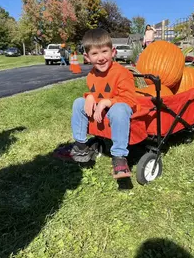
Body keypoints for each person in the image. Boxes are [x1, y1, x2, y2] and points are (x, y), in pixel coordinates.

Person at [54, 28, 137, 179]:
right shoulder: (92, 75)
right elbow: (96, 93)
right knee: (79, 102)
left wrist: (107, 102)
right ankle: (81, 147)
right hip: (101, 110)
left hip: (117, 109)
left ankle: (119, 157)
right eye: (94, 53)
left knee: (119, 109)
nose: (100, 58)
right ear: (86, 57)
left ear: (113, 52)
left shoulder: (122, 73)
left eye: (104, 51)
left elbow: (130, 100)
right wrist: (90, 96)